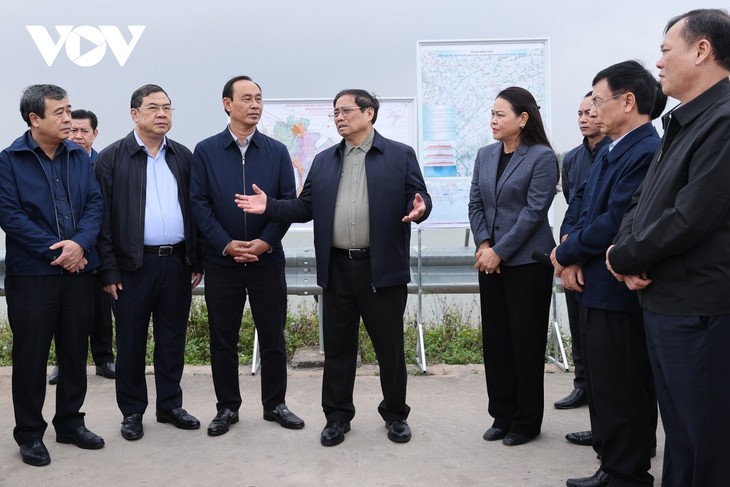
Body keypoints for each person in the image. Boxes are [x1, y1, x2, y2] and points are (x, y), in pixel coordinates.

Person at [236, 89, 431, 446]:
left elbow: (419, 197)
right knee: (338, 349)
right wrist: (271, 207)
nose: (339, 117)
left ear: (369, 113)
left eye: (346, 110)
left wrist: (421, 207)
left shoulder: (400, 156)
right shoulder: (325, 160)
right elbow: (304, 207)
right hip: (338, 267)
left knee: (389, 348)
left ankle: (395, 415)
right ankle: (338, 417)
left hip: (381, 268)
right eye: (335, 112)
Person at [606, 9, 730, 487]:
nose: (658, 63)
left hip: (700, 310)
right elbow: (642, 201)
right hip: (663, 302)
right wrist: (625, 252)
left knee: (708, 442)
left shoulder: (722, 120)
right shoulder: (682, 123)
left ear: (702, 50)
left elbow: (693, 215)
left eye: (664, 50)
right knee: (679, 439)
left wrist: (625, 257)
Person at [553, 60, 666, 487]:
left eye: (599, 101)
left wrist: (568, 251)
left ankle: (626, 472)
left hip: (618, 290)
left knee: (624, 385)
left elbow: (616, 220)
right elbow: (581, 207)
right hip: (593, 281)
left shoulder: (643, 151)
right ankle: (611, 460)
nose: (594, 110)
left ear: (628, 101)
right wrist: (570, 251)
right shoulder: (613, 148)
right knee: (604, 382)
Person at [190, 75, 304, 437]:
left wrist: (265, 242)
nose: (255, 105)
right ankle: (227, 407)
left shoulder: (276, 151)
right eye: (247, 99)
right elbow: (199, 204)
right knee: (222, 338)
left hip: (266, 260)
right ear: (227, 104)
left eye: (259, 99)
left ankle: (275, 404)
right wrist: (225, 243)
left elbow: (288, 203)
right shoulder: (206, 150)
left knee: (272, 335)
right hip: (222, 262)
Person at [0, 84, 105, 466]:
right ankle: (29, 434)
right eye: (59, 112)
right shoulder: (9, 161)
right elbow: (11, 216)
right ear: (34, 119)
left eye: (69, 110)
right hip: (33, 276)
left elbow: (95, 204)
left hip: (79, 272)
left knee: (75, 351)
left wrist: (79, 244)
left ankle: (70, 423)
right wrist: (61, 252)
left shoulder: (79, 156)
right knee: (31, 356)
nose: (68, 119)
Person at [95, 84, 203, 441]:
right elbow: (103, 221)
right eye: (154, 107)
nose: (162, 114)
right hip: (131, 267)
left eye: (168, 108)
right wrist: (109, 270)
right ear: (134, 113)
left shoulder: (183, 157)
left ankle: (170, 405)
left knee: (172, 339)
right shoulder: (112, 158)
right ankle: (132, 411)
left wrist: (195, 259)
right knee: (130, 343)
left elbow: (195, 211)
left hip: (175, 263)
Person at [468, 86, 558, 447]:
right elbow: (475, 203)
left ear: (522, 119)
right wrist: (484, 245)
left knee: (525, 342)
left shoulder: (542, 157)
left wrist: (499, 251)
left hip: (527, 265)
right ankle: (501, 415)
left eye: (500, 114)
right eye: (491, 113)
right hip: (491, 261)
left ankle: (526, 421)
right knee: (497, 342)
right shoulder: (485, 155)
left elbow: (534, 212)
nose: (493, 120)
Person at [553, 92, 610, 411]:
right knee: (577, 323)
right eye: (579, 114)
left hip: (602, 253)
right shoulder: (572, 158)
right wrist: (567, 245)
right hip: (575, 247)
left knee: (603, 334)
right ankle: (582, 385)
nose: (584, 119)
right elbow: (574, 203)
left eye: (590, 112)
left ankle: (602, 392)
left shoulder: (614, 152)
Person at [50, 109, 115, 385]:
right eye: (73, 130)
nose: (77, 135)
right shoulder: (57, 163)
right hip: (68, 251)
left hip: (99, 251)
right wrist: (74, 248)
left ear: (94, 134)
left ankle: (104, 359)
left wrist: (87, 247)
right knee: (62, 314)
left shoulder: (105, 164)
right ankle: (63, 364)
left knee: (102, 310)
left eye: (84, 131)